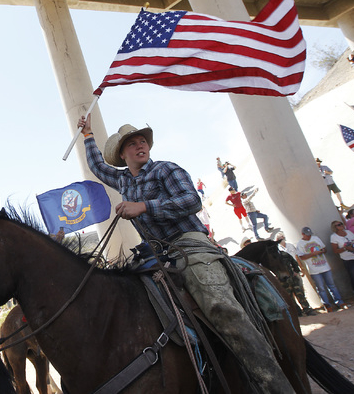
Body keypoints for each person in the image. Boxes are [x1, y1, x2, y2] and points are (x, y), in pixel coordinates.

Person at [77, 114, 294, 394]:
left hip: (189, 243)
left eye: (143, 141)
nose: (140, 145)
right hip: (156, 253)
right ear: (122, 153)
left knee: (221, 308)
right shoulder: (122, 181)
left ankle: (275, 387)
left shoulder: (165, 170)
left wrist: (143, 206)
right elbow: (96, 166)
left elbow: (191, 200)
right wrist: (88, 135)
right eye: (132, 144)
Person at [296, 227, 347, 312]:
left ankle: (339, 302)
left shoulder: (315, 238)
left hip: (325, 266)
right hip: (314, 269)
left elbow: (324, 248)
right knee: (321, 288)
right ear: (303, 234)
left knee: (332, 285)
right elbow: (302, 257)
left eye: (310, 235)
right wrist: (313, 254)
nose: (309, 237)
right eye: (307, 235)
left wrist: (322, 251)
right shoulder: (300, 244)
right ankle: (327, 305)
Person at [274, 232, 316, 316]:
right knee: (289, 296)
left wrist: (297, 271)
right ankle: (297, 311)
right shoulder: (274, 256)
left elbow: (294, 261)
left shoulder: (286, 253)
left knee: (299, 293)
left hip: (293, 276)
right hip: (283, 279)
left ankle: (307, 309)